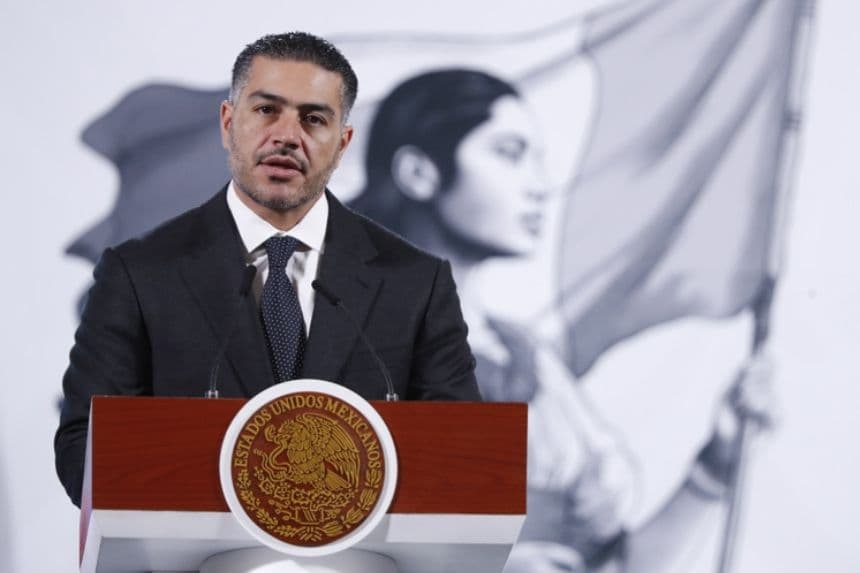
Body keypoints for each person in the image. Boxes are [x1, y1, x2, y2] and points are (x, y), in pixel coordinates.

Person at [350, 69, 773, 573]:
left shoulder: (528, 359)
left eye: (538, 159)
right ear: (420, 172)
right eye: (509, 153)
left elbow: (610, 564)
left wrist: (714, 467)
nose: (540, 185)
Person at [54, 33, 481, 508]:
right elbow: (82, 451)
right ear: (228, 123)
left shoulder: (416, 282)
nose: (286, 135)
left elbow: (459, 457)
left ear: (342, 143)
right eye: (265, 111)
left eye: (313, 118)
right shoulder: (140, 274)